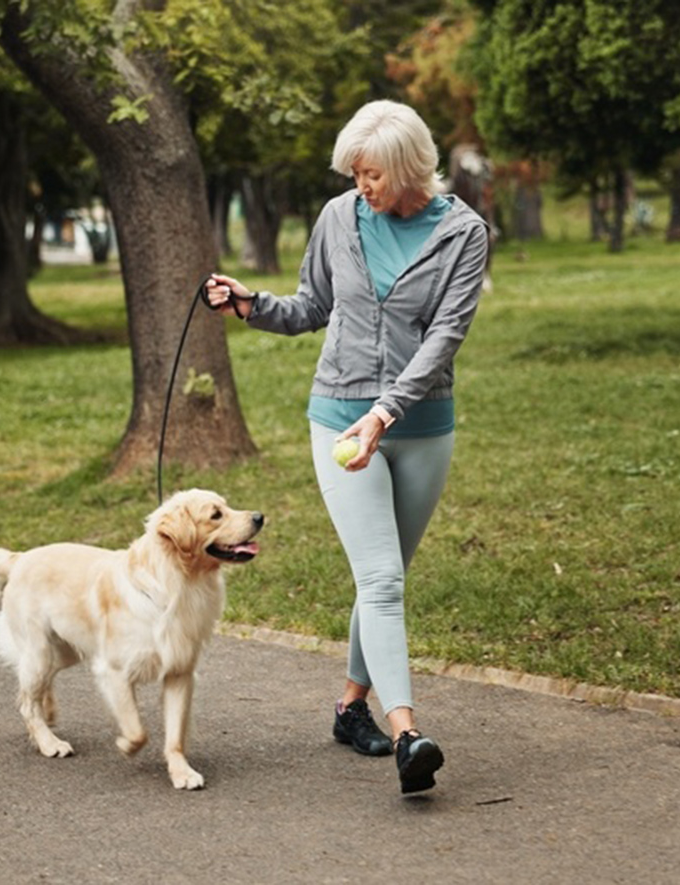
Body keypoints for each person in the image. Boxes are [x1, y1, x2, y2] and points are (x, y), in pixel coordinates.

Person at [206, 100, 489, 795]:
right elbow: (312, 305)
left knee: (384, 576)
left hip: (421, 427)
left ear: (408, 167)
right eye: (354, 174)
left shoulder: (464, 233)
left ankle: (348, 706)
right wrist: (251, 304)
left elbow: (444, 339)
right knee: (384, 579)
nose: (361, 187)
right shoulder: (339, 217)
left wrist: (388, 412)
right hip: (338, 418)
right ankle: (407, 734)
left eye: (371, 175)